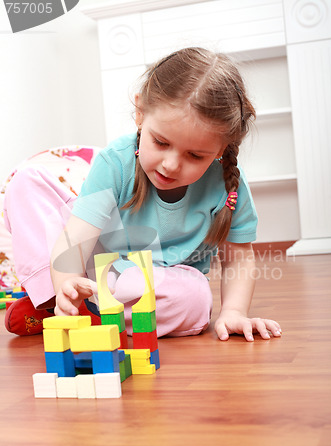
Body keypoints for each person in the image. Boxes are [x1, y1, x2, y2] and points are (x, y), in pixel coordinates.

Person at [4, 47, 281, 341]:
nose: (171, 165)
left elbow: (238, 258)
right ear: (139, 113)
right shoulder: (115, 163)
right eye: (161, 142)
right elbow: (75, 239)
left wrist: (233, 312)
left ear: (221, 149)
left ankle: (81, 313)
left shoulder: (227, 184)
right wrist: (68, 282)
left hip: (153, 283)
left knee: (195, 297)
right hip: (95, 265)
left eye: (195, 156)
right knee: (26, 182)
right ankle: (59, 301)